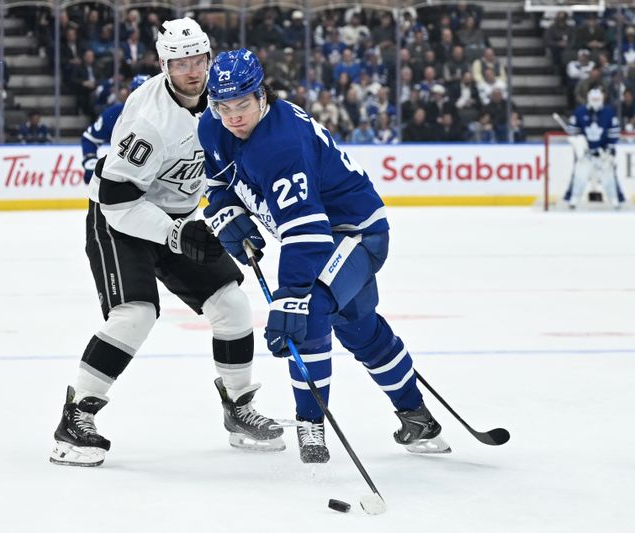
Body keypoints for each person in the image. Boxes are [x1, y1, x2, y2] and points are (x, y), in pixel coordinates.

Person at [50, 20, 285, 467]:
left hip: (174, 217)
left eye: (198, 59)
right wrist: (175, 233)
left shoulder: (223, 101)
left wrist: (234, 216)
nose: (192, 70)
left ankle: (239, 409)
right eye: (180, 62)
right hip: (119, 219)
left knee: (231, 304)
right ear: (164, 65)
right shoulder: (149, 119)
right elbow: (117, 200)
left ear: (209, 57)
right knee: (135, 313)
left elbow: (224, 169)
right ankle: (76, 416)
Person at [199, 49, 450, 464]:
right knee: (359, 328)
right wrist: (224, 211)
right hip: (320, 235)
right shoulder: (212, 125)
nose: (232, 116)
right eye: (222, 106)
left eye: (242, 104)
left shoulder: (282, 145)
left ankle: (311, 423)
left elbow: (307, 233)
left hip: (354, 233)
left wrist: (290, 294)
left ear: (262, 95)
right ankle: (417, 418)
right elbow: (219, 179)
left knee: (310, 308)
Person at [81, 75, 150, 184]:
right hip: (120, 180)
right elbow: (89, 138)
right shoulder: (114, 114)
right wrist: (91, 161)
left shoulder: (167, 117)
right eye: (137, 92)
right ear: (130, 94)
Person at [564, 86, 625, 208]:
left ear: (602, 99)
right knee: (579, 176)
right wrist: (579, 142)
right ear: (589, 99)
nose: (596, 101)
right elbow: (573, 131)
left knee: (609, 177)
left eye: (598, 99)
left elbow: (614, 131)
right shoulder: (580, 112)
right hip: (586, 154)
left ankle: (615, 199)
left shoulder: (608, 112)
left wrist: (609, 149)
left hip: (603, 153)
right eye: (593, 99)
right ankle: (573, 198)